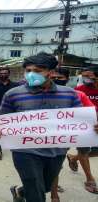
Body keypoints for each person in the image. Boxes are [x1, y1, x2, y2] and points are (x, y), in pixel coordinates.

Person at [0, 52, 86, 202]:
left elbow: (81, 122)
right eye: (28, 70)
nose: (31, 74)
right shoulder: (13, 94)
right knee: (36, 194)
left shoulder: (70, 95)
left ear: (51, 72)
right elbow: (3, 122)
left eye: (37, 71)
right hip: (25, 152)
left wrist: (92, 127)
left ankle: (21, 192)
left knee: (45, 186)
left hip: (57, 151)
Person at [49, 68, 94, 202]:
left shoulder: (78, 95)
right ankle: (54, 194)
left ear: (67, 79)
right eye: (54, 77)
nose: (57, 80)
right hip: (49, 138)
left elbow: (91, 113)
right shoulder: (41, 95)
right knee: (53, 165)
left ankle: (53, 191)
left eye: (60, 78)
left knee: (59, 163)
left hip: (73, 135)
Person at [66, 68, 98, 194]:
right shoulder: (79, 90)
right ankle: (90, 180)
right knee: (84, 151)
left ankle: (73, 158)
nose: (85, 78)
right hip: (84, 126)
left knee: (94, 151)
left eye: (88, 76)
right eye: (83, 76)